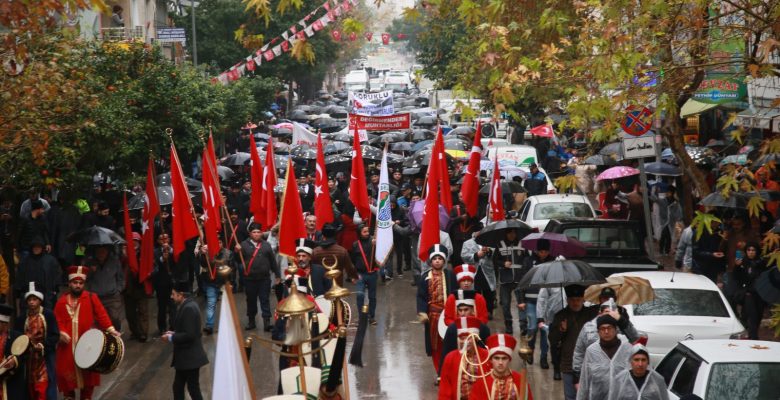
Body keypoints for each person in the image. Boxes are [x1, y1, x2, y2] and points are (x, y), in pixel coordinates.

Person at [54, 266, 120, 400]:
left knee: (88, 381)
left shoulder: (91, 297)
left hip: (87, 347)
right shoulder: (61, 302)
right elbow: (56, 321)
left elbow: (102, 315)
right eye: (75, 283)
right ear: (69, 283)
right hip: (67, 349)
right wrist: (60, 332)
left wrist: (111, 330)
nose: (78, 285)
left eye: (80, 283)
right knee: (66, 380)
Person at [572, 295, 639, 382]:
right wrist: (577, 377)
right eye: (606, 312)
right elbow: (579, 352)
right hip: (595, 374)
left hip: (618, 375)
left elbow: (634, 338)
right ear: (600, 313)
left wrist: (620, 320)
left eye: (612, 313)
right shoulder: (588, 327)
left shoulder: (621, 325)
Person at [548, 284, 598, 399]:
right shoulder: (560, 316)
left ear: (583, 300)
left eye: (578, 300)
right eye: (572, 300)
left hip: (589, 362)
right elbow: (552, 339)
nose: (575, 303)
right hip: (568, 363)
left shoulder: (591, 313)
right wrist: (561, 330)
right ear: (567, 300)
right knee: (570, 396)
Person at [12, 283, 60, 400]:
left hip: (45, 357)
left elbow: (55, 335)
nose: (32, 302)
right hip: (28, 359)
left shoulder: (48, 315)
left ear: (40, 300)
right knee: (30, 387)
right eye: (29, 300)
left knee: (46, 386)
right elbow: (17, 339)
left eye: (34, 299)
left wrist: (43, 346)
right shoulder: (21, 319)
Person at [162, 281, 208, 400]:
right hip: (186, 358)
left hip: (190, 358)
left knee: (192, 389)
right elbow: (188, 330)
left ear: (181, 294)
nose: (171, 296)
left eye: (173, 294)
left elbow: (190, 335)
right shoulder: (188, 305)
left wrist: (171, 337)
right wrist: (174, 333)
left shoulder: (188, 308)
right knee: (178, 387)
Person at [417, 244, 457, 378]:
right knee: (435, 346)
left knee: (449, 343)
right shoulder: (424, 277)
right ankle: (439, 373)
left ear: (444, 261)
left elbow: (455, 294)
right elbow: (421, 296)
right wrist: (422, 312)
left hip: (448, 316)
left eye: (440, 258)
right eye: (435, 258)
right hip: (432, 317)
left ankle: (448, 371)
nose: (438, 261)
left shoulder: (450, 275)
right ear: (431, 261)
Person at [234, 223, 280, 331]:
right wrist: (237, 251)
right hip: (250, 279)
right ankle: (251, 321)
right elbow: (237, 260)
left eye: (258, 232)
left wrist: (277, 275)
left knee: (265, 300)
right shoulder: (243, 245)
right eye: (254, 232)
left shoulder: (266, 245)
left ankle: (267, 323)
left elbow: (273, 261)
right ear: (250, 233)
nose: (256, 234)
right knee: (251, 300)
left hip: (264, 278)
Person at [576, 314, 633, 400]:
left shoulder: (627, 349)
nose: (606, 332)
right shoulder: (592, 351)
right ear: (598, 332)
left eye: (609, 328)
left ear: (615, 329)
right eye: (602, 329)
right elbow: (585, 380)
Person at [518, 239, 554, 367]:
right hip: (531, 301)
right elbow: (521, 281)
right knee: (532, 327)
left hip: (546, 304)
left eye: (545, 252)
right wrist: (521, 300)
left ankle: (543, 357)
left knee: (544, 331)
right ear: (537, 251)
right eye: (541, 251)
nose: (543, 254)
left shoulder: (553, 263)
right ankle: (530, 350)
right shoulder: (528, 262)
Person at [438, 317, 491, 400]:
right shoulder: (450, 358)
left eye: (469, 338)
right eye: (462, 338)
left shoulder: (487, 356)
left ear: (476, 338)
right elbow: (445, 388)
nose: (465, 342)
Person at [468, 333, 533, 400]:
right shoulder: (481, 383)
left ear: (509, 360)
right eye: (496, 358)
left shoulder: (520, 380)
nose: (500, 362)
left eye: (504, 358)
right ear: (491, 360)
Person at [492, 228, 528, 335]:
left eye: (514, 232)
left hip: (519, 280)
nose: (512, 235)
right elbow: (495, 261)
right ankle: (508, 325)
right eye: (510, 233)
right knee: (506, 305)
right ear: (506, 234)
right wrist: (503, 264)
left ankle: (523, 326)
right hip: (505, 280)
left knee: (521, 304)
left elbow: (527, 259)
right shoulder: (500, 245)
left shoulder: (522, 244)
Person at [730, 242, 769, 339]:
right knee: (752, 315)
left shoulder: (762, 263)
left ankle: (750, 333)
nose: (751, 252)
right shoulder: (743, 262)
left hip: (760, 293)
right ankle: (753, 337)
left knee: (759, 314)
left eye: (753, 250)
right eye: (749, 250)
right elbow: (737, 278)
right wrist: (737, 266)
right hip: (748, 293)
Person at [14, 236, 61, 311]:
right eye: (34, 247)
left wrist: (55, 289)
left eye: (38, 247)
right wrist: (18, 291)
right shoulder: (24, 261)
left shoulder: (50, 261)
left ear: (42, 248)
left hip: (47, 295)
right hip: (28, 295)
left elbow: (56, 275)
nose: (36, 248)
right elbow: (20, 278)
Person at [84, 244, 125, 331]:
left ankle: (116, 335)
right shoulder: (89, 263)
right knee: (96, 320)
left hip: (112, 296)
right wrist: (91, 271)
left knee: (115, 318)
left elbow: (121, 278)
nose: (101, 254)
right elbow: (84, 279)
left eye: (103, 252)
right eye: (98, 252)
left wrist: (118, 290)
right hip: (95, 296)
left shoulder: (115, 262)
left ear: (107, 252)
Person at [461, 225, 496, 319]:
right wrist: (477, 255)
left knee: (488, 292)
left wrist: (488, 251)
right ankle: (476, 311)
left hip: (487, 272)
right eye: (478, 232)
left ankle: (489, 311)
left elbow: (495, 255)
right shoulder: (467, 243)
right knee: (475, 292)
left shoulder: (489, 242)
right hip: (474, 272)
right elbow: (464, 256)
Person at [123, 232, 148, 342]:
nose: (134, 243)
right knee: (130, 313)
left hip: (141, 287)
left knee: (143, 312)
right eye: (132, 241)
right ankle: (134, 331)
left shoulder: (144, 254)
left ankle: (143, 333)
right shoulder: (124, 255)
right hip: (128, 288)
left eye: (136, 241)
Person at [352, 225, 380, 325]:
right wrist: (353, 275)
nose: (367, 233)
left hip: (372, 273)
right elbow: (352, 261)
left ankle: (371, 317)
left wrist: (377, 245)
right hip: (360, 274)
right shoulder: (355, 245)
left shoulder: (374, 241)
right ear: (359, 233)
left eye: (368, 231)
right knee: (360, 295)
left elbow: (382, 254)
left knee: (372, 297)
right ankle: (361, 317)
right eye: (364, 232)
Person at [152, 232, 175, 336]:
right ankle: (162, 327)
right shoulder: (155, 252)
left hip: (172, 282)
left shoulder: (174, 249)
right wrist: (163, 259)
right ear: (158, 241)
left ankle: (173, 326)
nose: (164, 241)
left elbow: (178, 260)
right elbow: (154, 265)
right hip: (160, 284)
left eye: (166, 238)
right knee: (162, 306)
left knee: (173, 306)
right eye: (162, 239)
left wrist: (170, 252)